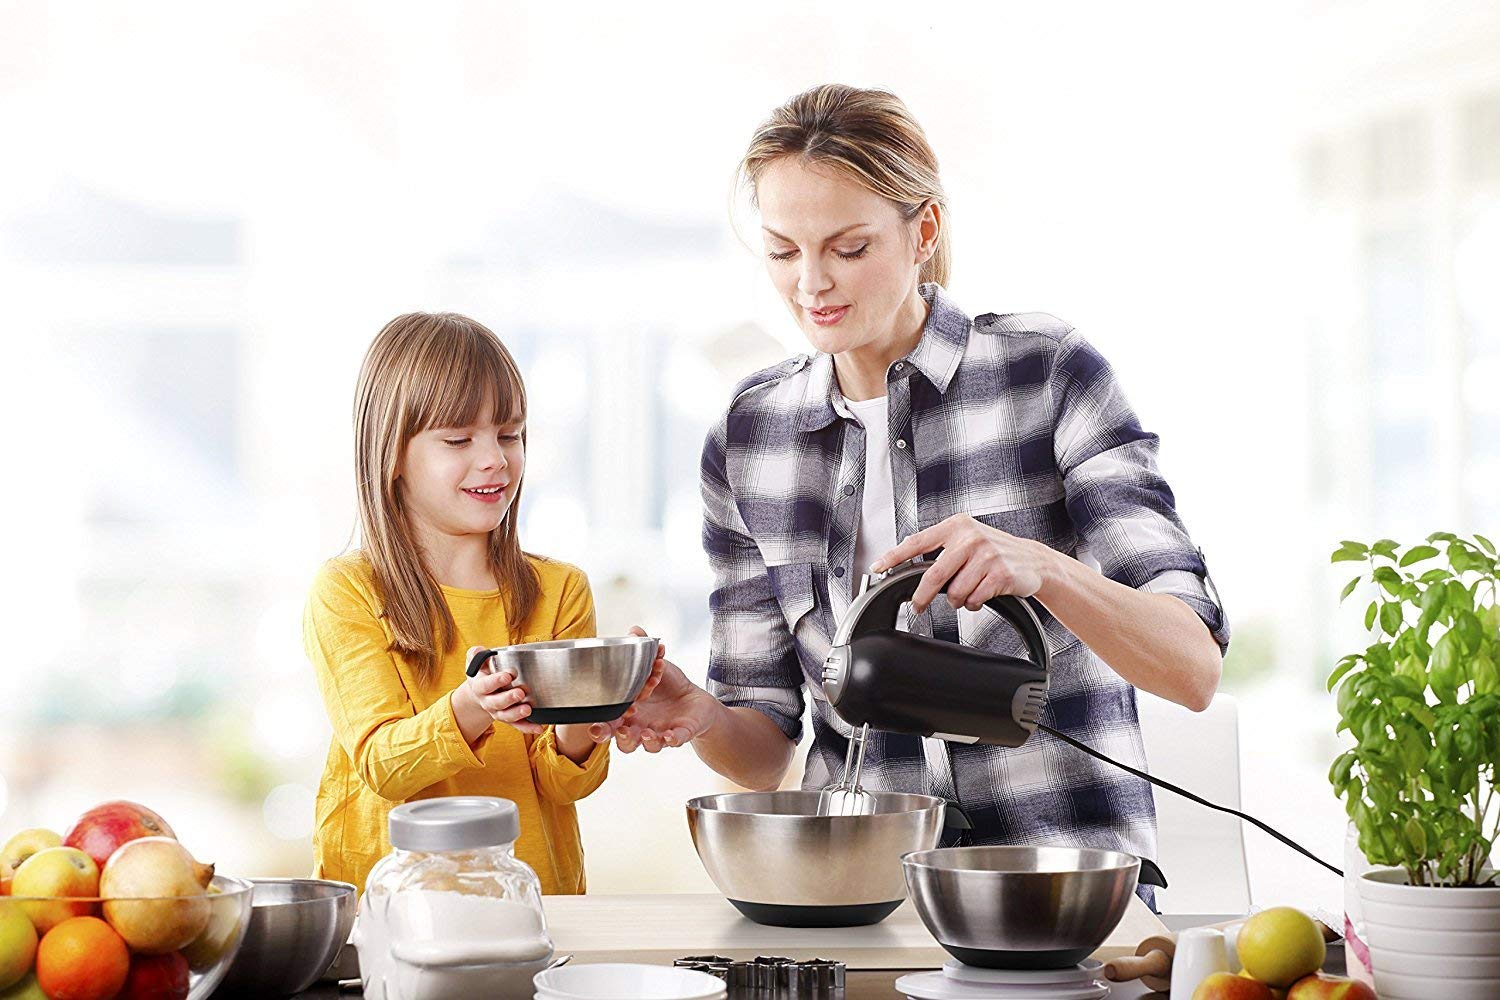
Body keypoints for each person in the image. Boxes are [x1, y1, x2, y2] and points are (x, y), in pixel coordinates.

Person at [614, 85, 1229, 904]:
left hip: (1059, 890)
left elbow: (1192, 667)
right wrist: (702, 717)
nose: (812, 284)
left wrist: (1045, 568)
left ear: (923, 230)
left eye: (849, 246)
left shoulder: (1045, 374)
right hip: (857, 891)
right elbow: (762, 748)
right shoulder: (749, 436)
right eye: (783, 251)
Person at [303, 312, 660, 893]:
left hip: (533, 902)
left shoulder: (560, 590)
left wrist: (591, 713)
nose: (495, 458)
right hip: (389, 908)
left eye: (510, 434)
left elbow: (565, 785)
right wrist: (474, 705)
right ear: (391, 453)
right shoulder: (349, 591)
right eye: (458, 440)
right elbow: (385, 767)